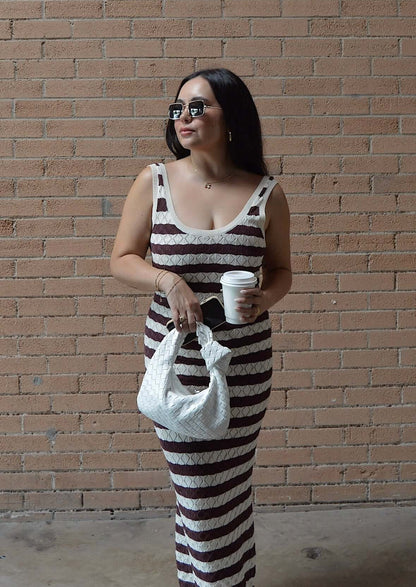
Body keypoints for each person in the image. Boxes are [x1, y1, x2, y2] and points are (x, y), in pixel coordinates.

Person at [110, 67, 292, 587]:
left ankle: (215, 578)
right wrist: (167, 280)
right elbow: (121, 258)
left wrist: (264, 298)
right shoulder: (156, 180)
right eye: (179, 107)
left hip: (245, 363)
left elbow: (281, 272)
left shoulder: (266, 193)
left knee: (229, 486)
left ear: (231, 117)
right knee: (195, 487)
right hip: (175, 362)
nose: (184, 116)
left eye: (199, 106)